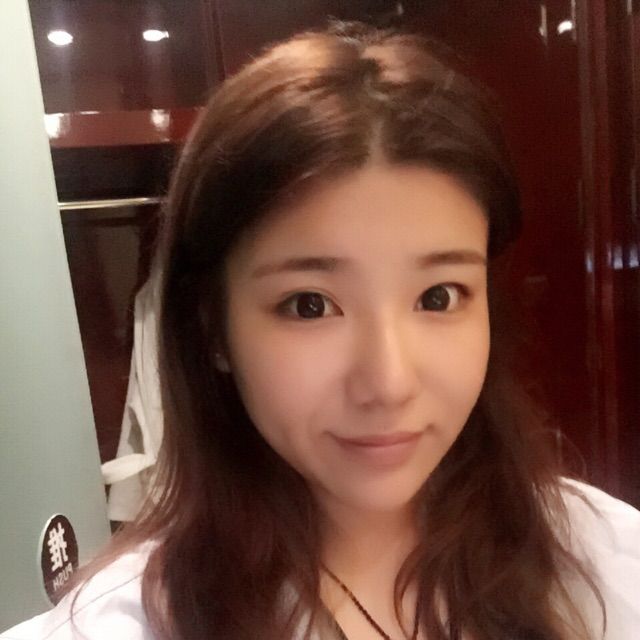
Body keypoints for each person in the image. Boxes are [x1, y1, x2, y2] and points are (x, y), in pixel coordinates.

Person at [2, 20, 639, 640]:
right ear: (213, 329)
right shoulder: (123, 624)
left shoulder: (608, 564)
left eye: (438, 297)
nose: (388, 384)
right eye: (309, 305)